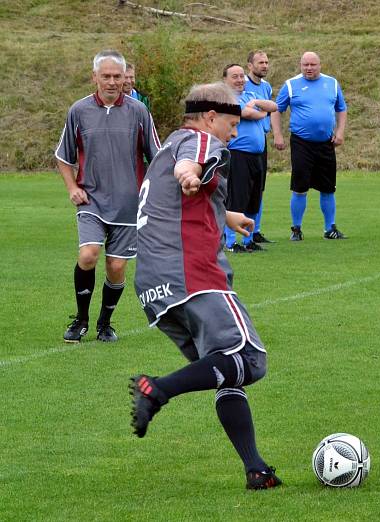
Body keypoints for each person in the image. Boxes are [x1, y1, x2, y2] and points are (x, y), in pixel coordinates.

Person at [130, 82, 282, 490]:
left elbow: (176, 190)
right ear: (211, 117)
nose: (234, 133)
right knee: (248, 359)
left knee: (222, 369)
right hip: (192, 272)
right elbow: (191, 166)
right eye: (232, 124)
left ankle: (256, 468)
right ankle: (156, 389)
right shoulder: (199, 140)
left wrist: (227, 215)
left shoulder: (167, 147)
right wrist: (190, 175)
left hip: (154, 285)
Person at [55, 49, 160, 343]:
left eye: (117, 76)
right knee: (88, 254)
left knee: (116, 267)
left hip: (129, 204)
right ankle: (81, 319)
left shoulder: (139, 111)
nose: (112, 82)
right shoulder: (79, 110)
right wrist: (72, 188)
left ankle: (105, 323)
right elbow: (63, 157)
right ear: (95, 77)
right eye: (106, 76)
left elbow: (157, 156)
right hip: (92, 201)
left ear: (124, 77)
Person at [273, 51, 348, 241]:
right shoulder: (291, 85)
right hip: (301, 143)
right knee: (299, 187)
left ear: (319, 65)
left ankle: (329, 228)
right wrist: (278, 135)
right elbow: (276, 110)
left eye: (313, 65)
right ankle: (296, 229)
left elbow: (341, 108)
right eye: (305, 65)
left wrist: (340, 132)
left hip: (325, 143)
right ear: (300, 65)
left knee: (328, 188)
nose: (309, 68)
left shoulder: (332, 83)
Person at [221, 63, 277, 252]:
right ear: (225, 80)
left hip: (256, 155)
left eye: (241, 76)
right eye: (234, 76)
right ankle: (230, 242)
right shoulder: (225, 99)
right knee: (236, 198)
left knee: (254, 197)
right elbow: (247, 113)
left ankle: (248, 239)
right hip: (238, 155)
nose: (239, 80)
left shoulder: (250, 95)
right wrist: (258, 109)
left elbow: (273, 106)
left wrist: (255, 104)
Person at [244, 50, 277, 245]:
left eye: (266, 62)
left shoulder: (266, 86)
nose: (264, 65)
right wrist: (262, 109)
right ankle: (233, 235)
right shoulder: (243, 85)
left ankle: (255, 230)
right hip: (243, 144)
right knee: (241, 189)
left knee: (259, 188)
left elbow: (271, 108)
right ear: (250, 65)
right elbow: (251, 110)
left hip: (260, 141)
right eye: (260, 62)